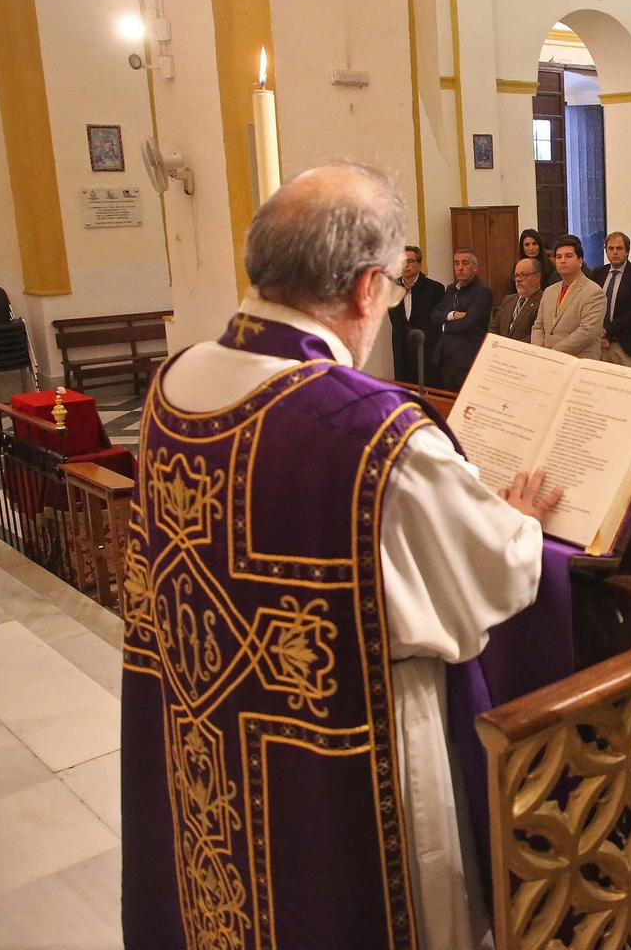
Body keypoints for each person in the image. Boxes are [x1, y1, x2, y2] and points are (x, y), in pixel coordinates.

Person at [122, 161, 564, 950]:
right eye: (390, 288)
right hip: (355, 747)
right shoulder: (371, 431)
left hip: (214, 732)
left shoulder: (176, 380)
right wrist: (519, 520)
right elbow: (492, 570)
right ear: (366, 289)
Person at [428, 246, 493, 391]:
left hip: (467, 359)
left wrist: (445, 326)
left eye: (465, 263)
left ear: (475, 267)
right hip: (446, 358)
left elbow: (468, 323)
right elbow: (434, 316)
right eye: (456, 263)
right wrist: (453, 315)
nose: (460, 268)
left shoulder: (482, 291)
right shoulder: (451, 289)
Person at [532, 234, 607, 359]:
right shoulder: (549, 291)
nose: (563, 260)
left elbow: (586, 332)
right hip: (546, 360)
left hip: (578, 359)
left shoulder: (594, 292)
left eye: (568, 256)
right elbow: (538, 326)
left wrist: (553, 353)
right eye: (558, 257)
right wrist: (539, 352)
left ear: (580, 261)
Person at [590, 230, 631, 367]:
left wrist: (607, 330)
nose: (615, 252)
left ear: (627, 251)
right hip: (600, 344)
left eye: (619, 248)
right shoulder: (599, 272)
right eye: (611, 248)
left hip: (628, 346)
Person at [388, 244, 445, 384]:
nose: (406, 265)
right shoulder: (392, 288)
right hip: (402, 350)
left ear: (419, 265)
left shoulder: (434, 289)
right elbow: (395, 321)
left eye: (410, 261)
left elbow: (437, 322)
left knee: (430, 387)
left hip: (427, 349)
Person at [492, 256, 543, 341]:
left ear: (537, 277)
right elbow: (494, 328)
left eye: (523, 274)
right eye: (516, 275)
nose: (518, 279)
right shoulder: (508, 300)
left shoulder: (543, 301)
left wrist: (511, 346)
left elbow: (536, 335)